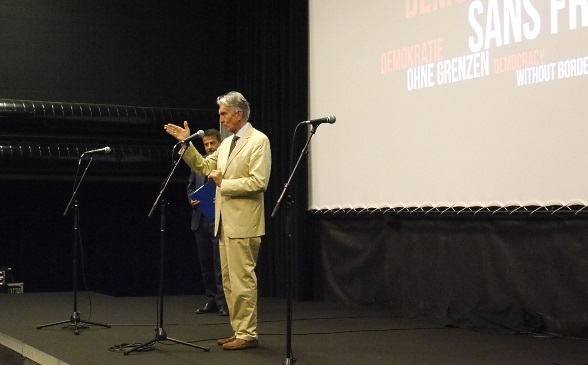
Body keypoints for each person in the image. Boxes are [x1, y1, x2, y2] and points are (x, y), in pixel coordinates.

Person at [164, 91, 271, 351]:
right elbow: (202, 166)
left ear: (238, 113)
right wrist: (186, 145)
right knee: (228, 282)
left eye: (223, 114)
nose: (220, 119)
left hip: (244, 223)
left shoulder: (258, 141)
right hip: (224, 223)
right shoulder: (226, 143)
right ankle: (240, 331)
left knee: (242, 280)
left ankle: (248, 333)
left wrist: (225, 183)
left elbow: (259, 182)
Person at [187, 128, 228, 316]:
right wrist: (191, 199)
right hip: (200, 219)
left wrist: (220, 196)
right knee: (206, 265)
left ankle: (223, 302)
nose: (209, 147)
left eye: (212, 143)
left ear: (220, 143)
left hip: (219, 219)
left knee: (220, 265)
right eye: (206, 144)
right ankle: (210, 299)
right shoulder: (198, 163)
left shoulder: (226, 163)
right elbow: (190, 187)